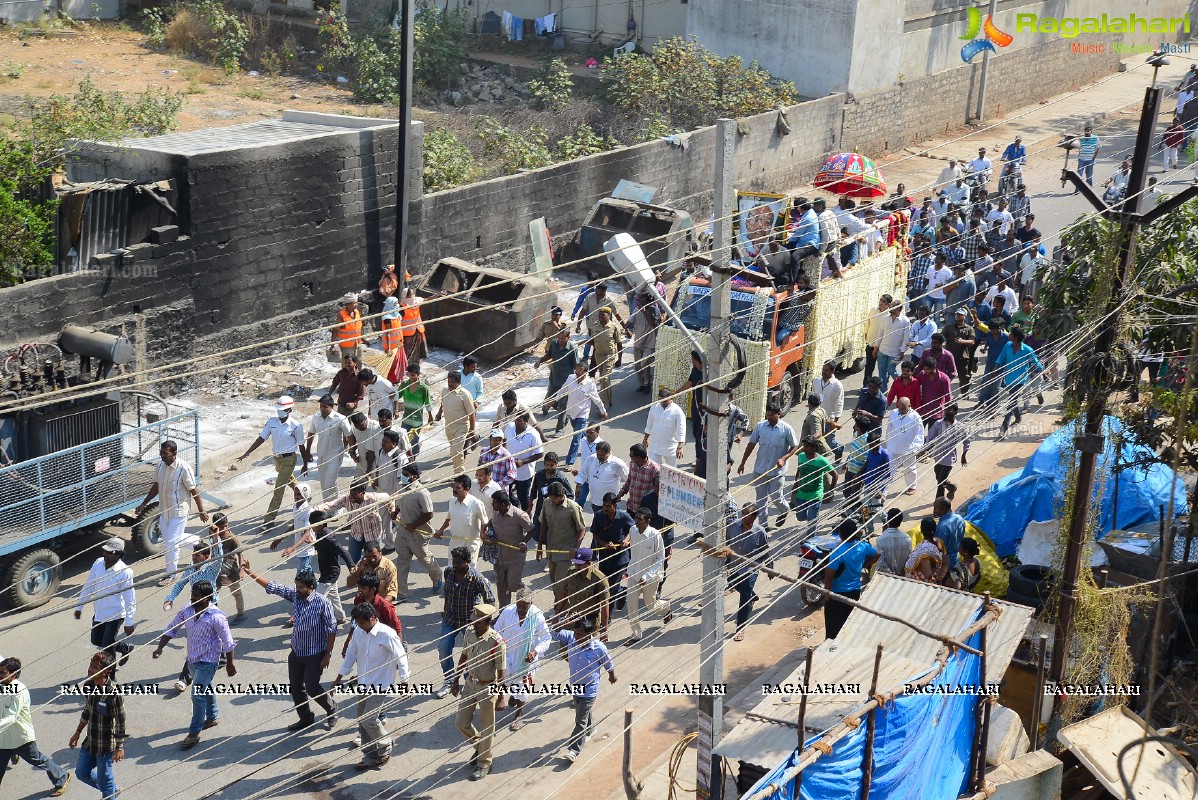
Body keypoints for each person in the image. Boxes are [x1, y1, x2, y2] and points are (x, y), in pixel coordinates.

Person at [241, 563, 338, 731]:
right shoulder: (295, 596)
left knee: (312, 687)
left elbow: (332, 629)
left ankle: (331, 709)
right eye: (296, 586)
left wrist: (328, 654)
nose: (297, 589)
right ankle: (306, 717)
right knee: (296, 687)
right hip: (296, 652)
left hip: (315, 654)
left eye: (301, 587)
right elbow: (273, 586)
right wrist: (250, 572)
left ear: (310, 587)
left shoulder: (323, 603)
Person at [152, 580, 237, 749]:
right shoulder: (187, 610)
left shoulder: (216, 617)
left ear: (207, 597)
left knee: (197, 694)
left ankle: (194, 732)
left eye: (197, 596)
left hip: (209, 661)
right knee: (206, 687)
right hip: (192, 660)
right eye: (192, 594)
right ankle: (212, 717)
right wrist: (160, 647)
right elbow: (172, 628)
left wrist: (230, 664)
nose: (192, 598)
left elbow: (228, 642)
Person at [333, 602, 407, 770]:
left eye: (362, 622)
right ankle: (370, 754)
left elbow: (401, 657)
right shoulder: (359, 632)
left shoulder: (387, 635)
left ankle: (385, 745)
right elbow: (351, 654)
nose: (359, 625)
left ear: (372, 618)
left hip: (380, 683)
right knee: (361, 720)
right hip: (363, 682)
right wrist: (339, 678)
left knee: (370, 720)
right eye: (357, 622)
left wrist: (405, 681)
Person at [138, 439, 209, 586]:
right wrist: (144, 503)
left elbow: (194, 490)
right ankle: (197, 543)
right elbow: (156, 486)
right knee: (171, 539)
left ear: (174, 454)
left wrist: (202, 510)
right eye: (161, 453)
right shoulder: (160, 466)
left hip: (179, 512)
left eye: (166, 453)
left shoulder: (183, 468)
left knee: (171, 543)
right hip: (165, 511)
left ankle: (171, 575)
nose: (163, 456)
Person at [0, 656, 71, 795]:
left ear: (14, 674)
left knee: (37, 759)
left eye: (3, 673)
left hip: (20, 737)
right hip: (4, 738)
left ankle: (62, 776)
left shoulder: (20, 691)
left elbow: (12, 716)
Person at [452, 603, 506, 781]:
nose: (474, 624)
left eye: (477, 622)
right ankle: (481, 748)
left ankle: (484, 763)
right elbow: (464, 656)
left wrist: (501, 697)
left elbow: (501, 672)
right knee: (461, 722)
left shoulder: (496, 642)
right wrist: (455, 679)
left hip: (488, 686)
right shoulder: (469, 633)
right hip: (470, 683)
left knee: (487, 727)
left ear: (487, 622)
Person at [236, 396, 307, 534]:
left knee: (278, 490)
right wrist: (247, 453)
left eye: (283, 410)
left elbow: (301, 445)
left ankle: (269, 521)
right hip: (277, 459)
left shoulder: (295, 426)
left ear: (289, 410)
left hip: (289, 459)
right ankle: (305, 495)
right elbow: (262, 437)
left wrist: (305, 464)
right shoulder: (272, 421)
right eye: (279, 410)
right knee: (289, 480)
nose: (280, 412)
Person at [434, 547, 497, 700]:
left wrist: (484, 621)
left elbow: (490, 599)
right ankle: (448, 681)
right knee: (443, 649)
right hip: (449, 619)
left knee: (471, 653)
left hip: (469, 623)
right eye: (454, 561)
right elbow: (447, 594)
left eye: (459, 562)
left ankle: (470, 681)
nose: (455, 565)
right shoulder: (448, 572)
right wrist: (444, 609)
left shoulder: (477, 578)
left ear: (468, 562)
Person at [553, 616, 616, 765]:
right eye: (575, 633)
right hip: (575, 687)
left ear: (589, 635)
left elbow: (608, 663)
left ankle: (574, 750)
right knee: (582, 712)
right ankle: (590, 730)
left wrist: (612, 676)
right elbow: (553, 632)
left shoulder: (599, 648)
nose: (576, 637)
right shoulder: (571, 639)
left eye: (580, 635)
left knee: (579, 720)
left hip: (590, 690)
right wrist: (565, 623)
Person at [68, 651, 125, 798]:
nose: (90, 670)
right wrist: (77, 732)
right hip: (91, 741)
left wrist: (119, 748)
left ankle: (109, 793)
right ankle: (112, 790)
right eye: (90, 665)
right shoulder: (88, 685)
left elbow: (120, 721)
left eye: (95, 667)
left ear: (106, 671)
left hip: (105, 745)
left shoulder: (114, 693)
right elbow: (88, 710)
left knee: (104, 779)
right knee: (81, 772)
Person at [75, 538, 136, 674]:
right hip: (99, 612)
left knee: (107, 647)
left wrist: (129, 621)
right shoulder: (98, 563)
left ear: (118, 554)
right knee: (96, 640)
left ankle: (110, 676)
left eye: (110, 552)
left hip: (115, 615)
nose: (105, 554)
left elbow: (129, 598)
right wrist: (80, 607)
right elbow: (88, 585)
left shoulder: (125, 572)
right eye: (105, 551)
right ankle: (125, 648)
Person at [494, 588, 552, 729]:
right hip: (507, 656)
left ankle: (519, 715)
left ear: (530, 604)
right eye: (519, 605)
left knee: (522, 688)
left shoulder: (537, 616)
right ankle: (510, 696)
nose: (521, 609)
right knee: (503, 680)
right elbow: (496, 631)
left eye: (524, 606)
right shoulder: (507, 612)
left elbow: (546, 637)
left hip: (526, 660)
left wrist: (535, 651)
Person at [737, 403, 799, 527]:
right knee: (761, 500)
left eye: (772, 415)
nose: (769, 417)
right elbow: (751, 445)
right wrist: (742, 463)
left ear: (778, 414)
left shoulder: (786, 429)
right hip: (760, 470)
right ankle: (763, 526)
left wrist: (784, 458)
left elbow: (794, 446)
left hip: (777, 472)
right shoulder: (760, 427)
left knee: (776, 497)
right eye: (768, 415)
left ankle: (784, 510)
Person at [818, 519, 879, 639]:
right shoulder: (863, 546)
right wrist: (864, 564)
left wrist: (827, 594)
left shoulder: (838, 552)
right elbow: (876, 555)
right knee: (849, 625)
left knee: (833, 630)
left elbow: (829, 576)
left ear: (840, 534)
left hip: (837, 595)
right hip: (855, 592)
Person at [314, 480, 393, 564]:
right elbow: (330, 505)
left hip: (373, 534)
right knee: (352, 560)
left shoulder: (373, 498)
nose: (351, 497)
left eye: (355, 494)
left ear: (362, 493)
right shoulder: (346, 499)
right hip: (356, 533)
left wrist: (392, 511)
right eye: (351, 493)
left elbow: (388, 498)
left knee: (372, 561)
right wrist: (315, 509)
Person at [725, 502, 773, 641]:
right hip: (734, 565)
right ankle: (752, 596)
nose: (744, 516)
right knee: (732, 582)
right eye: (743, 513)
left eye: (748, 514)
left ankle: (740, 628)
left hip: (751, 568)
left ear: (755, 516)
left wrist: (770, 568)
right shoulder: (733, 527)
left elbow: (766, 551)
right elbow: (727, 543)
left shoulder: (759, 532)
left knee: (744, 598)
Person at [393, 463, 440, 600]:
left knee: (425, 559)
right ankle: (402, 592)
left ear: (413, 476)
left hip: (418, 534)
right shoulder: (401, 487)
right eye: (402, 473)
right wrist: (395, 512)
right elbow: (399, 504)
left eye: (405, 474)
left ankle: (437, 577)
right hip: (402, 533)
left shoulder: (422, 492)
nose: (403, 476)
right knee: (401, 562)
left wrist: (413, 525)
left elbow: (429, 514)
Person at [625, 507, 672, 644]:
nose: (637, 521)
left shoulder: (655, 535)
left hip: (650, 577)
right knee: (632, 604)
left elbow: (660, 559)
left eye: (640, 519)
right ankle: (636, 634)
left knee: (650, 604)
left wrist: (646, 576)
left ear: (648, 521)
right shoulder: (633, 530)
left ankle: (666, 608)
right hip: (634, 574)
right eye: (636, 518)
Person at [551, 361, 607, 467]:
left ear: (586, 372)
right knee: (580, 434)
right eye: (576, 371)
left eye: (580, 371)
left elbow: (597, 399)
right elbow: (563, 389)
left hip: (583, 413)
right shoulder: (570, 378)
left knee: (576, 438)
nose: (577, 373)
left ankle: (570, 462)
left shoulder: (590, 384)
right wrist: (554, 399)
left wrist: (603, 411)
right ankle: (594, 441)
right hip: (572, 412)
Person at [339, 571, 402, 658]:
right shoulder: (358, 600)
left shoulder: (385, 607)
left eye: (363, 588)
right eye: (359, 587)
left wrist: (398, 653)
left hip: (381, 644)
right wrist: (348, 642)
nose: (359, 590)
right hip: (364, 640)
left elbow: (396, 629)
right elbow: (355, 622)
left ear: (373, 590)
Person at [488, 490, 535, 607]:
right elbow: (490, 525)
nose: (492, 505)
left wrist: (524, 543)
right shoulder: (495, 513)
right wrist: (491, 535)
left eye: (494, 503)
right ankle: (504, 614)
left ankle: (527, 600)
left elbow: (532, 530)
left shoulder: (519, 515)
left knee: (514, 585)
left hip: (515, 558)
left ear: (503, 504)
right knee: (502, 588)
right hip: (499, 558)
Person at [995, 327, 1044, 438]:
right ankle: (1018, 417)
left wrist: (1043, 369)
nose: (1009, 335)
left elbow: (1036, 363)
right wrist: (996, 366)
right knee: (1013, 401)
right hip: (1008, 379)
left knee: (1011, 401)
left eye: (1011, 334)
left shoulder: (1027, 350)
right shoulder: (1007, 346)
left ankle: (1003, 429)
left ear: (1016, 337)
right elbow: (1001, 358)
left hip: (1020, 381)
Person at [591, 493, 634, 615]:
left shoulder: (624, 517)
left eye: (608, 506)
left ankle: (607, 615)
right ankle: (622, 592)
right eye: (604, 505)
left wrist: (627, 540)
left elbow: (633, 529)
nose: (605, 509)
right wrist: (604, 544)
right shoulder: (599, 516)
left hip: (620, 558)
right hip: (605, 557)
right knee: (604, 586)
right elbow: (595, 535)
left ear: (615, 505)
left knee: (611, 589)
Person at [305, 395, 352, 503]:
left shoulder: (340, 418)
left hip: (335, 455)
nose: (322, 409)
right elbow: (311, 434)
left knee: (329, 483)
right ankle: (327, 506)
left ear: (332, 407)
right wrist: (307, 452)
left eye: (325, 406)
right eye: (321, 406)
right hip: (321, 455)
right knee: (323, 484)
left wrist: (352, 451)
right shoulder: (316, 417)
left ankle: (336, 505)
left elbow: (349, 435)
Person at [308, 510, 352, 624]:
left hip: (330, 574)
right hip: (327, 571)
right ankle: (340, 617)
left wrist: (351, 566)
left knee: (315, 600)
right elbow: (322, 545)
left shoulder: (328, 537)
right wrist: (313, 543)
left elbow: (343, 552)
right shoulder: (320, 533)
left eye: (313, 524)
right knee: (334, 597)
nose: (312, 527)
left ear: (321, 524)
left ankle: (311, 624)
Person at [437, 474, 489, 565]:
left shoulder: (476, 504)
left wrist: (483, 533)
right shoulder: (452, 501)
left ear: (467, 489)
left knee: (468, 573)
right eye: (454, 487)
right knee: (452, 569)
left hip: (470, 545)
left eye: (458, 487)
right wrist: (441, 530)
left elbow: (485, 523)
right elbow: (449, 519)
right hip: (454, 543)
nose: (454, 489)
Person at [791, 436, 837, 536]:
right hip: (801, 493)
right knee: (800, 517)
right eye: (803, 446)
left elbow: (835, 475)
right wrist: (795, 484)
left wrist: (830, 491)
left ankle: (809, 541)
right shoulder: (801, 456)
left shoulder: (822, 461)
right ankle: (812, 518)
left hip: (815, 494)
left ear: (813, 448)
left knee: (812, 522)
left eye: (807, 446)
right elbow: (799, 471)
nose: (804, 448)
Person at [923, 404, 969, 501]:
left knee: (940, 483)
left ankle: (938, 506)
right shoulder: (938, 424)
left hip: (949, 458)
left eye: (950, 410)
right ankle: (951, 487)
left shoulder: (960, 427)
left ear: (956, 412)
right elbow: (930, 437)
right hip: (938, 456)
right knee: (939, 477)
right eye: (946, 410)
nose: (947, 412)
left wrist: (964, 455)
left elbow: (966, 441)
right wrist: (926, 449)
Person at [435, 371, 477, 475]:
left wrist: (472, 431)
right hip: (449, 427)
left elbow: (472, 414)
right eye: (449, 381)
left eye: (452, 382)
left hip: (461, 427)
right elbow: (442, 404)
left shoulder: (465, 394)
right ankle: (457, 471)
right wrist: (439, 414)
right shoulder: (445, 391)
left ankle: (459, 475)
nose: (450, 384)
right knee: (453, 452)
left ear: (458, 382)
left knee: (457, 451)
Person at [540, 328, 580, 434]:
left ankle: (559, 429)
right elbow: (549, 355)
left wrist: (579, 379)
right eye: (559, 338)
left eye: (563, 339)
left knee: (562, 405)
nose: (560, 341)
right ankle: (564, 416)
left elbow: (577, 366)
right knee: (550, 401)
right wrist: (540, 360)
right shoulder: (554, 343)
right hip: (554, 378)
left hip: (566, 382)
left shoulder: (572, 348)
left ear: (568, 337)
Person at [272, 484, 317, 579]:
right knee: (308, 576)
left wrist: (292, 548)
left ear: (305, 495)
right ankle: (315, 591)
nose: (296, 496)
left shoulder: (309, 511)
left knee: (301, 577)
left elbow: (307, 533)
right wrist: (280, 539)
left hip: (306, 549)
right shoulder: (295, 507)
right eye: (295, 494)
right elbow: (295, 525)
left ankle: (312, 592)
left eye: (299, 494)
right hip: (299, 547)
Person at [884, 397, 925, 496]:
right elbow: (889, 428)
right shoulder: (894, 413)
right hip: (893, 446)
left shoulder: (915, 417)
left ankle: (912, 486)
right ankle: (884, 489)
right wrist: (888, 442)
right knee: (889, 468)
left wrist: (915, 448)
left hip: (908, 449)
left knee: (910, 468)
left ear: (909, 406)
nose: (901, 411)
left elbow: (920, 434)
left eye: (903, 409)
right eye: (899, 408)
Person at [211, 513, 247, 623]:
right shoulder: (213, 534)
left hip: (230, 571)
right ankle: (213, 615)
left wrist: (242, 570)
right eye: (220, 527)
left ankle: (241, 613)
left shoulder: (232, 539)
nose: (223, 529)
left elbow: (240, 554)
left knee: (236, 593)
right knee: (213, 593)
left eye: (225, 526)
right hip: (216, 571)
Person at [576, 440, 627, 515]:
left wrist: (621, 493)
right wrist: (578, 486)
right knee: (600, 522)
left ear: (609, 452)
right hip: (595, 502)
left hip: (610, 504)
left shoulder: (618, 464)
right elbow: (583, 473)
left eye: (602, 455)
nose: (599, 457)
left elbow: (629, 479)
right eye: (598, 454)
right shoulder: (591, 459)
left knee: (614, 522)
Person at [505, 413, 545, 509]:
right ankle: (515, 507)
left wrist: (523, 461)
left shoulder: (533, 434)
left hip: (524, 473)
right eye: (516, 420)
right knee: (506, 494)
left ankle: (526, 516)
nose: (517, 423)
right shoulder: (510, 427)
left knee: (523, 496)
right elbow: (503, 440)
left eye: (520, 420)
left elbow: (540, 453)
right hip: (509, 469)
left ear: (526, 422)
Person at [589, 307, 624, 410]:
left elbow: (619, 344)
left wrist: (619, 358)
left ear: (609, 316)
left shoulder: (614, 327)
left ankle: (604, 403)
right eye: (599, 315)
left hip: (609, 356)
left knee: (604, 378)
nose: (601, 317)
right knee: (604, 379)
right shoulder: (594, 326)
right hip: (598, 355)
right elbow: (593, 341)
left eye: (603, 315)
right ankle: (608, 399)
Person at [396, 363, 434, 457]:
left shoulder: (423, 388)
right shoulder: (404, 384)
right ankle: (405, 457)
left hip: (417, 419)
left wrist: (430, 416)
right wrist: (395, 409)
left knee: (414, 440)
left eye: (413, 375)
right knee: (403, 438)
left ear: (418, 374)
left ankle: (413, 458)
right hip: (406, 417)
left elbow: (427, 402)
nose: (411, 377)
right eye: (409, 375)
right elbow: (397, 395)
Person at [644, 388, 686, 467]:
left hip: (670, 447)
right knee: (653, 468)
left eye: (665, 401)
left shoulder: (677, 411)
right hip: (655, 445)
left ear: (671, 398)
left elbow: (681, 429)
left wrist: (680, 446)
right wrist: (645, 439)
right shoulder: (654, 407)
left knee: (672, 470)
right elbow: (649, 424)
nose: (663, 403)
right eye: (661, 400)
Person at [876, 302, 911, 393]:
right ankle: (883, 390)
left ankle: (904, 386)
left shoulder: (905, 320)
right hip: (882, 350)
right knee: (882, 371)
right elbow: (880, 332)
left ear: (899, 309)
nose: (890, 309)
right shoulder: (886, 318)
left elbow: (906, 337)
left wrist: (903, 351)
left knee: (891, 370)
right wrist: (876, 347)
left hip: (895, 352)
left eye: (893, 307)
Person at [616, 443, 660, 515]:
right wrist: (621, 493)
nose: (630, 458)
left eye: (631, 456)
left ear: (639, 457)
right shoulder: (632, 463)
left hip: (645, 510)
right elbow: (630, 480)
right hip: (631, 507)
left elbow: (657, 490)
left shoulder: (655, 469)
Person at [630, 296, 661, 393]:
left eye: (643, 300)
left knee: (644, 364)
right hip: (638, 342)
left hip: (649, 343)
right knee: (638, 366)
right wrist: (625, 328)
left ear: (649, 301)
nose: (641, 302)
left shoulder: (655, 310)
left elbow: (652, 323)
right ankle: (642, 384)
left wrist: (644, 311)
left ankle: (647, 384)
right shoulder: (636, 309)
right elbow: (630, 320)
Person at [943, 308, 977, 396]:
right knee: (945, 376)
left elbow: (972, 341)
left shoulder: (969, 329)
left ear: (965, 316)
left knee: (964, 377)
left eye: (960, 314)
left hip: (962, 357)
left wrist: (963, 341)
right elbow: (941, 337)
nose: (958, 316)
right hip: (949, 356)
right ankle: (944, 393)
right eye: (957, 314)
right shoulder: (948, 327)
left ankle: (965, 392)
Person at [933, 498, 967, 586]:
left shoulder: (942, 528)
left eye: (936, 508)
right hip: (956, 559)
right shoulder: (960, 519)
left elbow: (939, 550)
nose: (934, 511)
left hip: (946, 564)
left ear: (943, 509)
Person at [479, 429, 518, 498]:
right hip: (484, 487)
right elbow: (479, 468)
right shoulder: (483, 451)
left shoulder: (506, 455)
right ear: (490, 439)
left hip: (499, 491)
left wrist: (497, 485)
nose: (497, 442)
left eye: (499, 440)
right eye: (495, 439)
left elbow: (512, 475)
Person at [862, 294, 892, 383]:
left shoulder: (890, 315)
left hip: (883, 346)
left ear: (888, 304)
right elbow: (867, 323)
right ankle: (866, 386)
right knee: (869, 367)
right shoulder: (873, 310)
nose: (881, 303)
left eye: (884, 302)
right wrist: (866, 334)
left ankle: (883, 387)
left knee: (883, 368)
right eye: (880, 300)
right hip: (871, 343)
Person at [917, 357, 953, 430]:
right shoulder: (921, 375)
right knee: (918, 431)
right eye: (924, 369)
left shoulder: (944, 378)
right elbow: (914, 384)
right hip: (923, 410)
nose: (926, 371)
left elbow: (948, 396)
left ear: (935, 368)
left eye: (928, 369)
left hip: (937, 411)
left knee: (932, 434)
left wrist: (947, 411)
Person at [904, 517, 944, 583]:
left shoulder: (923, 549)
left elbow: (928, 575)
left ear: (921, 531)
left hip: (920, 585)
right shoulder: (939, 543)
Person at [347, 411, 384, 479]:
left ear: (365, 419)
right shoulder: (356, 429)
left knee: (376, 486)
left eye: (361, 425)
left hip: (375, 463)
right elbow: (354, 443)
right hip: (362, 462)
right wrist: (353, 453)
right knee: (356, 485)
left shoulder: (376, 427)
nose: (359, 428)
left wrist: (369, 470)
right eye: (356, 426)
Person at [874, 509, 911, 575]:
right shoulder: (907, 538)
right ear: (900, 521)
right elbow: (909, 560)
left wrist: (892, 574)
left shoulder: (880, 540)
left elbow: (881, 564)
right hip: (902, 577)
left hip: (885, 578)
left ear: (888, 520)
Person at [400, 286, 429, 364]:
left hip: (418, 328)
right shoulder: (402, 307)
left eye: (413, 294)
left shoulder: (417, 301)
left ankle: (418, 360)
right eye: (411, 295)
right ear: (406, 296)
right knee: (408, 349)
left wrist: (438, 294)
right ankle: (406, 363)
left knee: (419, 346)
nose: (413, 296)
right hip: (408, 332)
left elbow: (428, 299)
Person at [333, 293, 364, 360]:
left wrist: (363, 339)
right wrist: (332, 345)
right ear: (348, 304)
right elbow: (335, 330)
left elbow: (359, 326)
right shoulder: (341, 315)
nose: (356, 305)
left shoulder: (357, 312)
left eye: (356, 302)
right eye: (354, 303)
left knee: (358, 362)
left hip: (357, 343)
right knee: (348, 364)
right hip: (347, 345)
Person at [1073, 125, 1101, 191]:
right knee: (1079, 175)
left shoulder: (1095, 138)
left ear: (1091, 132)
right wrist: (1079, 155)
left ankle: (1089, 189)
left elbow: (1098, 149)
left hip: (1090, 159)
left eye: (1088, 131)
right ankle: (1077, 189)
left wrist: (1093, 158)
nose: (1087, 133)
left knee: (1089, 174)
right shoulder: (1082, 138)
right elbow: (1080, 147)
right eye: (1086, 131)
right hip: (1081, 159)